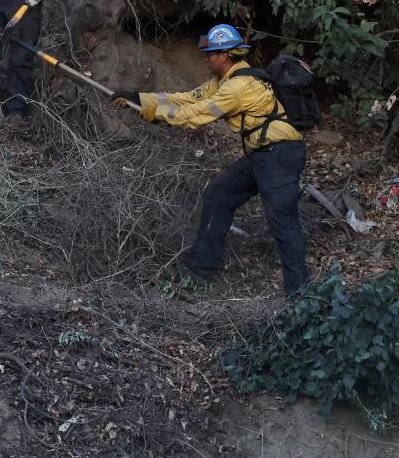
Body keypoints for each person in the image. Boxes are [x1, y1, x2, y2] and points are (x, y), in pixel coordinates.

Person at [112, 24, 308, 296]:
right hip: (263, 154)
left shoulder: (238, 88)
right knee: (218, 195)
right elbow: (186, 99)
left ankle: (300, 297)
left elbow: (196, 115)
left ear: (225, 55)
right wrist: (141, 99)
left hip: (279, 156)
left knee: (284, 223)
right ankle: (200, 270)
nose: (206, 59)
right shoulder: (225, 81)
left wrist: (157, 114)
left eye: (211, 54)